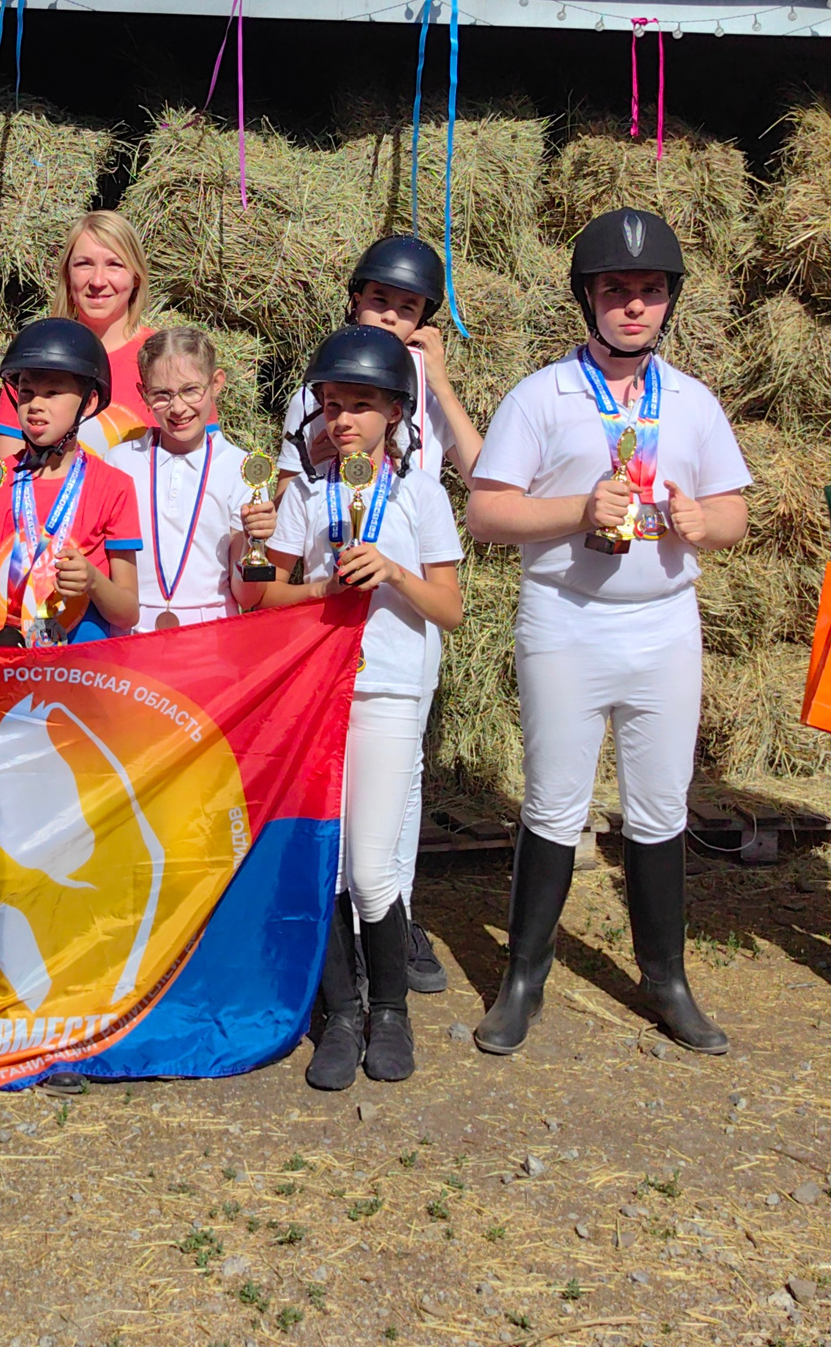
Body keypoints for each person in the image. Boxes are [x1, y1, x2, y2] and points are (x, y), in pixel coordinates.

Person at [465, 208, 752, 1059]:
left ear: (670, 304)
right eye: (618, 291)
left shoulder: (693, 402)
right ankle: (523, 977)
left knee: (661, 805)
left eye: (650, 293)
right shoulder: (542, 394)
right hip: (567, 617)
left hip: (663, 620)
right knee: (555, 800)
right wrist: (576, 510)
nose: (635, 307)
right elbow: (486, 511)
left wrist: (706, 519)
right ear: (588, 298)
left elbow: (735, 509)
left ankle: (666, 978)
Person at [250, 324, 465, 1090]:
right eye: (331, 404)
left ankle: (393, 1013)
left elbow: (451, 606)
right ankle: (340, 1015)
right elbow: (260, 594)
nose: (342, 419)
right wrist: (319, 590)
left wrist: (394, 573)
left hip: (388, 692)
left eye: (361, 405)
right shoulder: (307, 497)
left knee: (374, 872)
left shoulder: (422, 496)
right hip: (317, 693)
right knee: (326, 868)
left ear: (395, 415)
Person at [276, 234, 486, 995]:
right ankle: (360, 941)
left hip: (406, 601)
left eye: (408, 308)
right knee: (347, 797)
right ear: (354, 300)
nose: (391, 317)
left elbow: (479, 471)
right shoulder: (324, 393)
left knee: (400, 786)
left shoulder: (418, 389)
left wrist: (437, 379)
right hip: (336, 613)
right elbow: (296, 488)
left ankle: (394, 919)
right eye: (379, 301)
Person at [0, 319, 143, 647]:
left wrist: (94, 581)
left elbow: (127, 613)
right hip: (2, 671)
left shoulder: (114, 487)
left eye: (53, 392)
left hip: (81, 676)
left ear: (88, 402)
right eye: (26, 391)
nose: (36, 404)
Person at [105, 326, 274, 631]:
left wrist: (255, 542)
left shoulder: (239, 468)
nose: (178, 407)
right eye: (162, 394)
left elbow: (247, 595)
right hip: (130, 631)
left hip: (212, 633)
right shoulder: (119, 462)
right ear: (144, 394)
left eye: (190, 390)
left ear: (216, 383)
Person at [0, 210, 156, 455]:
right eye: (84, 264)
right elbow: (9, 468)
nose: (98, 280)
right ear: (67, 276)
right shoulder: (36, 354)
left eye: (114, 264)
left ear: (136, 277)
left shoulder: (166, 359)